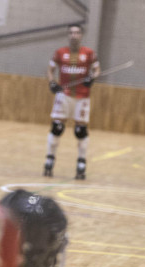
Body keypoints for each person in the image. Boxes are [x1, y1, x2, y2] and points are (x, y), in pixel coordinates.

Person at [44, 24, 100, 180]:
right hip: (64, 95)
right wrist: (52, 82)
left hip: (82, 97)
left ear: (81, 35)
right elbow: (50, 69)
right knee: (57, 127)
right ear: (68, 35)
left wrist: (92, 78)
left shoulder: (89, 53)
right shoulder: (60, 53)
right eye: (71, 32)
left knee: (80, 130)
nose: (74, 35)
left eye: (77, 32)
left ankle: (81, 162)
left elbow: (97, 70)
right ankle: (50, 158)